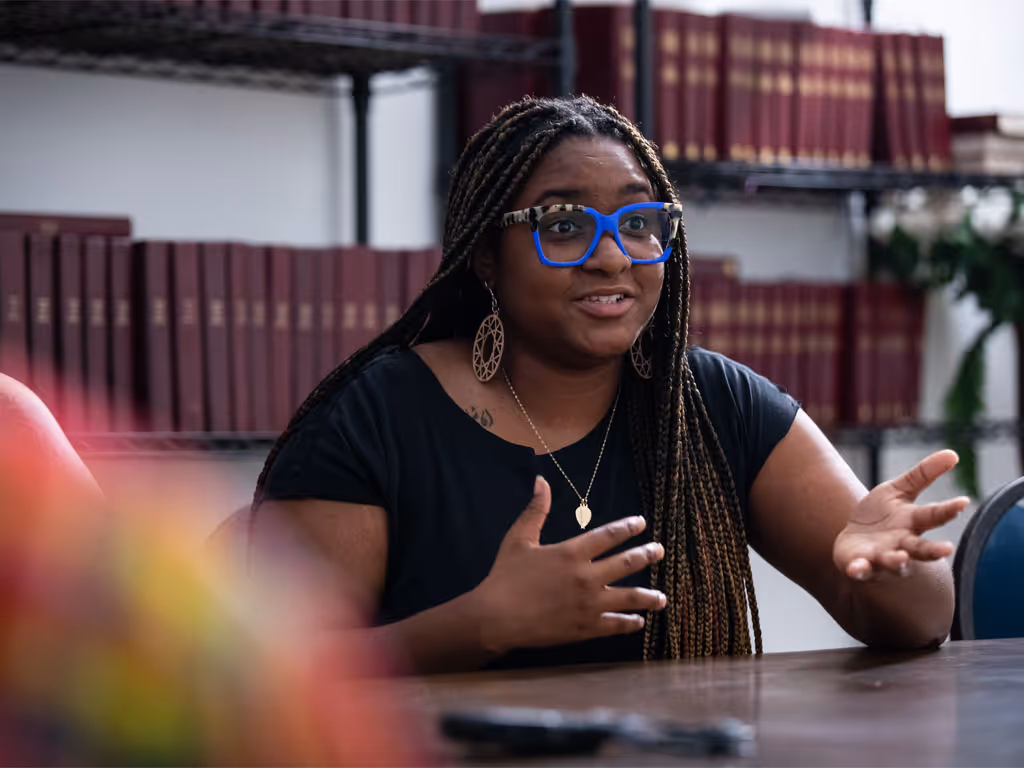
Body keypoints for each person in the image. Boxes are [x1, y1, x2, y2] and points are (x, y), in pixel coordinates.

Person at [252, 96, 969, 674]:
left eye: (637, 222)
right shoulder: (373, 417)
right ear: (485, 256)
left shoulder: (712, 403)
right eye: (563, 226)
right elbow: (276, 680)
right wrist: (480, 625)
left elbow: (928, 620)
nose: (610, 257)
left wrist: (885, 573)